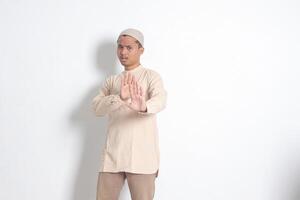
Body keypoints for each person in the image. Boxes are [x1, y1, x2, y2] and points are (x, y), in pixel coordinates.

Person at [92, 28, 167, 200]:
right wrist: (118, 97)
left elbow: (161, 100)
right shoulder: (112, 81)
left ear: (141, 50)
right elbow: (97, 108)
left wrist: (143, 107)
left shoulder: (151, 76)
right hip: (112, 157)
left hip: (143, 158)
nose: (123, 52)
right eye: (120, 47)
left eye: (129, 48)